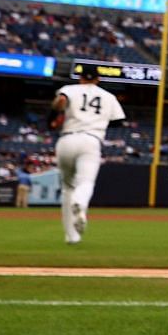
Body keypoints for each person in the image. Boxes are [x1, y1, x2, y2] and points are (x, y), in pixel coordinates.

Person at [52, 67, 125, 244]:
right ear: (98, 79)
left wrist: (59, 112)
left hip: (67, 140)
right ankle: (80, 203)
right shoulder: (108, 96)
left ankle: (72, 236)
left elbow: (59, 102)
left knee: (67, 187)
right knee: (85, 182)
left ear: (80, 77)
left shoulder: (69, 89)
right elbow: (119, 121)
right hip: (91, 140)